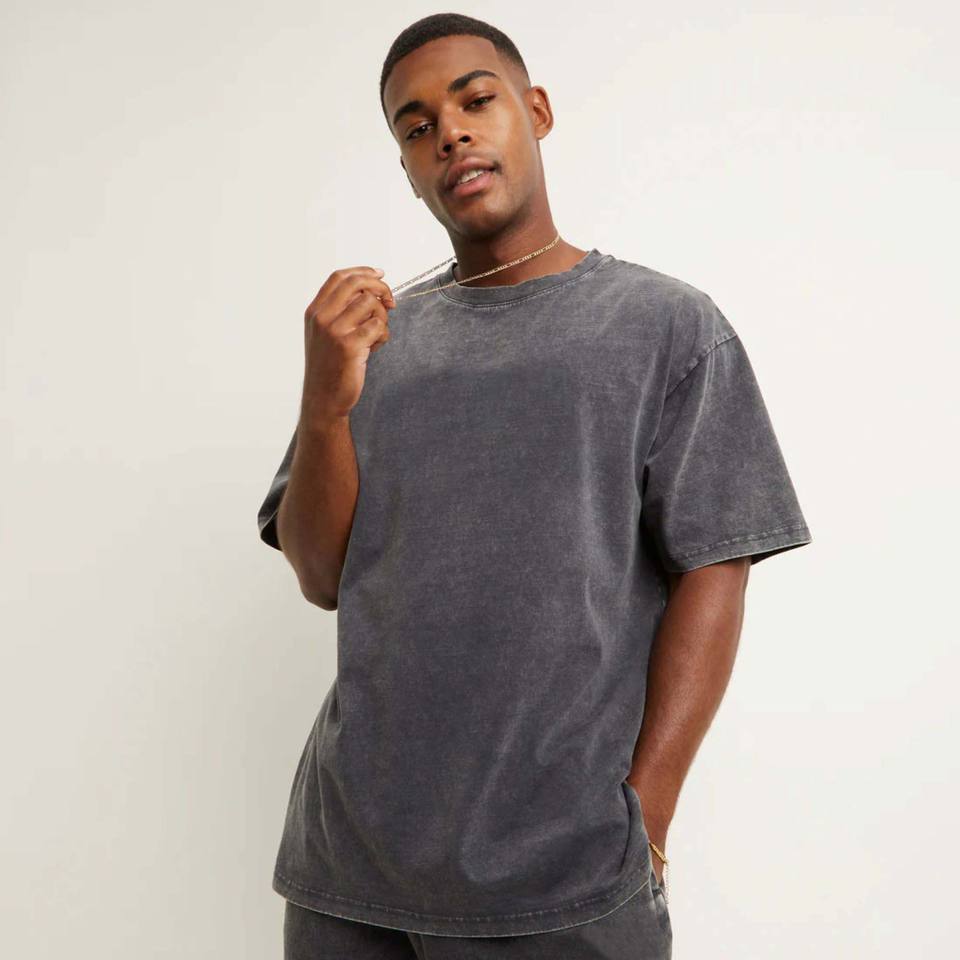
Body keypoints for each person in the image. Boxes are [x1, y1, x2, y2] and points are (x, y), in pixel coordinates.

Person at [256, 13, 813, 960]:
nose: (450, 134)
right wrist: (323, 402)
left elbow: (716, 569)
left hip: (567, 883)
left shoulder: (665, 326)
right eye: (417, 127)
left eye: (475, 101)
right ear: (407, 167)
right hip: (349, 872)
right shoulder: (375, 343)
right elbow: (321, 576)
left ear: (536, 111)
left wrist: (647, 821)